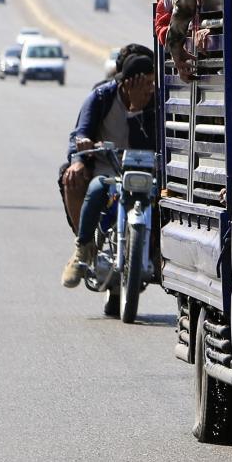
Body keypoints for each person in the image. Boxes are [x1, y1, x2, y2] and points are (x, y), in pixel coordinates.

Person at [60, 52, 159, 287]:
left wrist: (136, 111)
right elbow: (80, 134)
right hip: (107, 173)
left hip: (147, 174)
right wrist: (79, 157)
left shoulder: (154, 103)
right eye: (146, 83)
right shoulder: (101, 98)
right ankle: (83, 249)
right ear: (128, 83)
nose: (150, 89)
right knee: (94, 188)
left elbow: (147, 145)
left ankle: (156, 253)